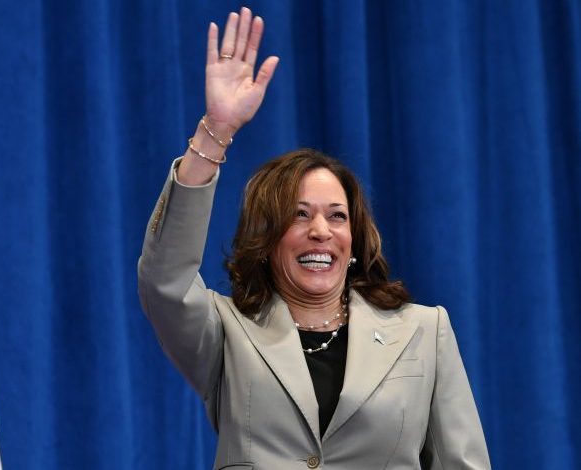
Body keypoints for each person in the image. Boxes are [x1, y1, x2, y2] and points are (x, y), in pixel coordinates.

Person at [138, 7, 490, 469]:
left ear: (354, 238)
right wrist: (215, 132)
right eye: (298, 215)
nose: (320, 231)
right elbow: (164, 278)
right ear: (267, 238)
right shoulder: (226, 332)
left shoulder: (424, 332)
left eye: (337, 217)